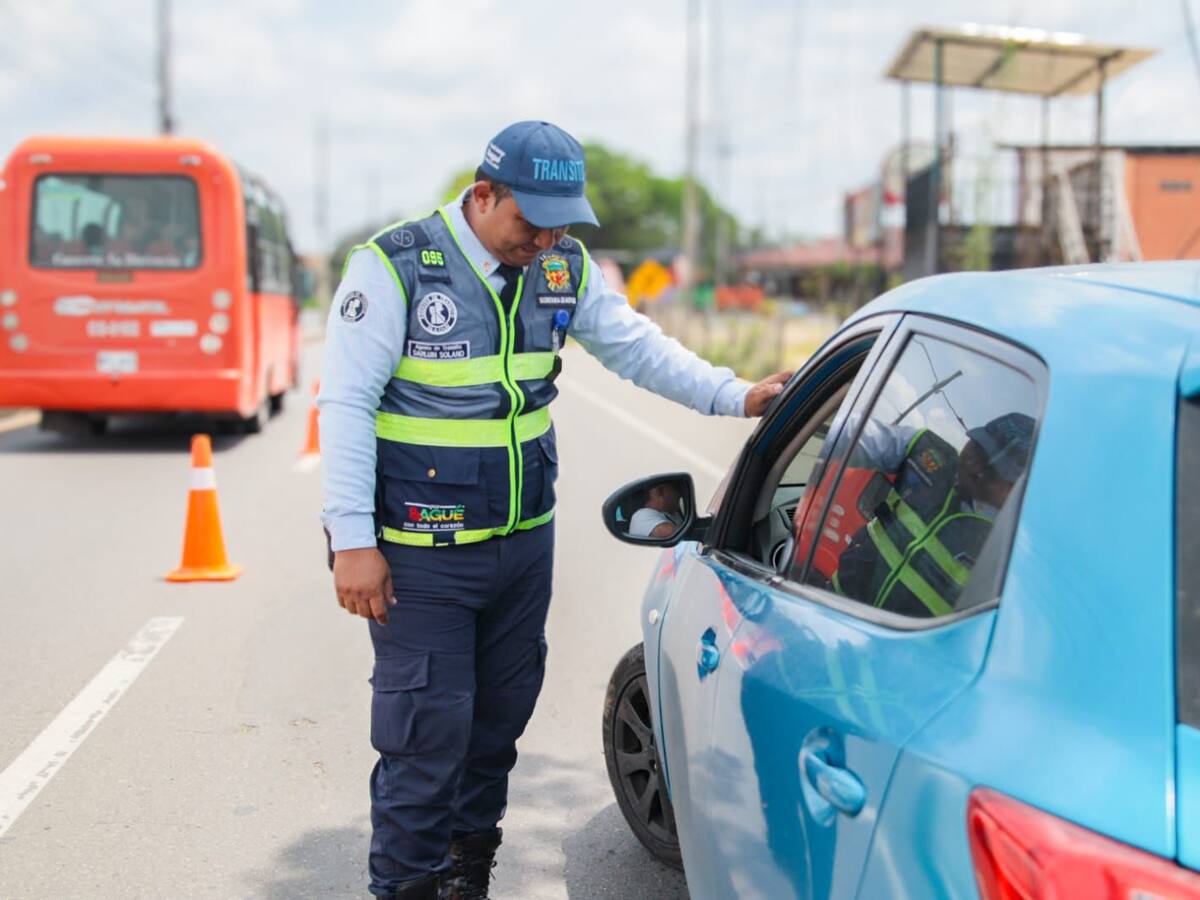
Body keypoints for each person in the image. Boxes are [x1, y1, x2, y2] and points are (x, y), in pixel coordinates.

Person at [319, 120, 791, 900]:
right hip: (417, 555)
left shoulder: (562, 266)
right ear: (482, 195)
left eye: (559, 222)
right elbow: (344, 404)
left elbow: (635, 347)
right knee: (423, 738)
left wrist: (734, 394)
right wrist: (351, 540)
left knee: (495, 729)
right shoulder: (396, 267)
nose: (542, 238)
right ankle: (406, 886)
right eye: (526, 221)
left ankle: (467, 877)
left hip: (520, 546)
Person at [830, 411, 1035, 618]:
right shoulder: (929, 455)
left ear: (1016, 488)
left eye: (994, 469)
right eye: (978, 447)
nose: (975, 464)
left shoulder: (1012, 547)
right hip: (833, 604)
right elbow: (852, 434)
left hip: (899, 646)